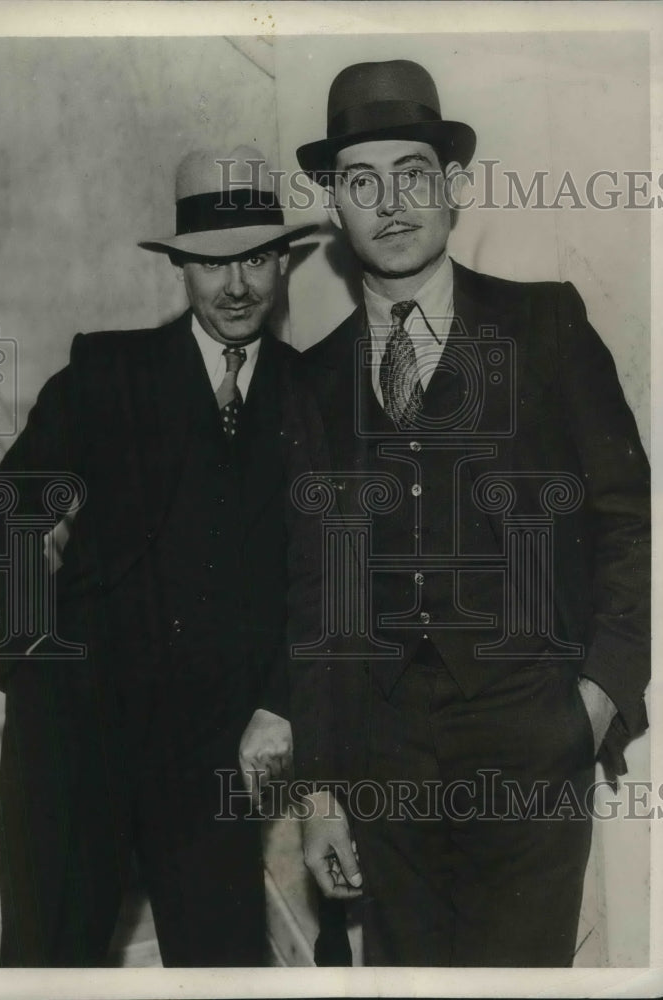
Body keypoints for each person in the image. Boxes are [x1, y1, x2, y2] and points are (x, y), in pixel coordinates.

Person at [285, 60, 651, 966]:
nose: (391, 202)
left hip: (534, 732)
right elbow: (311, 595)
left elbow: (629, 522)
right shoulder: (312, 379)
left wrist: (595, 702)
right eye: (360, 182)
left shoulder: (548, 326)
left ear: (451, 189)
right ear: (336, 206)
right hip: (382, 755)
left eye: (413, 173)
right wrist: (324, 792)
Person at [0, 146, 319, 967]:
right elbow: (13, 500)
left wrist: (281, 701)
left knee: (224, 963)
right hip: (77, 730)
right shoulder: (108, 369)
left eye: (258, 259)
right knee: (47, 965)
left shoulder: (315, 393)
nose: (235, 288)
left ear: (286, 263)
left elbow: (329, 574)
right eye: (210, 263)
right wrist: (36, 638)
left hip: (213, 751)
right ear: (179, 268)